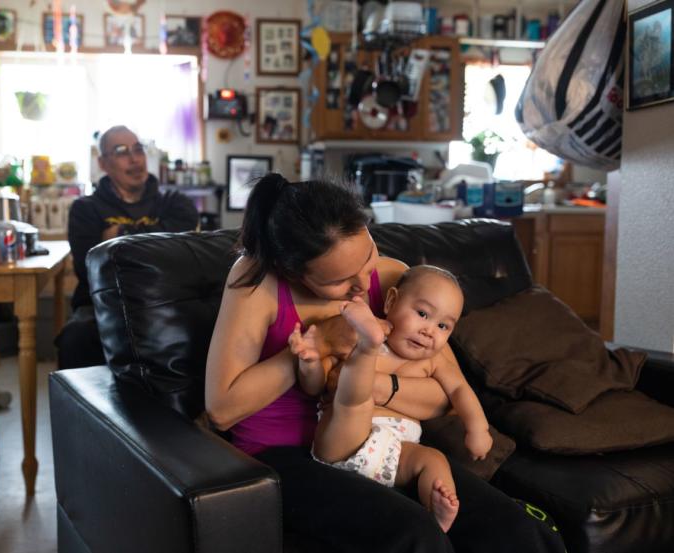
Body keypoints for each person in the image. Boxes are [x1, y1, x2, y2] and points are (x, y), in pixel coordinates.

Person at [205, 173, 564, 553]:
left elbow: (442, 393)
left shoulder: (395, 279)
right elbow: (221, 411)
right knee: (416, 536)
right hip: (285, 453)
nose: (365, 282)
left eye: (368, 259)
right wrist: (324, 338)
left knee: (517, 531)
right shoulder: (255, 279)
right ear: (294, 271)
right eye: (343, 281)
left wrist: (377, 388)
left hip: (381, 440)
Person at [290, 265, 492, 533]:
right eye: (422, 314)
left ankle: (436, 518)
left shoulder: (433, 362)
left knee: (433, 460)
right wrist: (310, 363)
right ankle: (369, 348)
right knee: (357, 400)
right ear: (391, 301)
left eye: (443, 326)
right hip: (343, 441)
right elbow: (314, 387)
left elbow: (459, 390)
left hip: (394, 455)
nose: (429, 331)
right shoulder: (352, 338)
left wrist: (478, 428)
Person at [55, 125, 199, 369]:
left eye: (138, 149)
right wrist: (155, 245)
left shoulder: (176, 203)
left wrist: (119, 235)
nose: (134, 159)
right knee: (74, 338)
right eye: (121, 151)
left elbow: (181, 258)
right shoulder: (85, 209)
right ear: (102, 163)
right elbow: (88, 269)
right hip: (103, 305)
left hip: (164, 301)